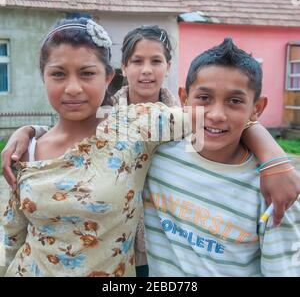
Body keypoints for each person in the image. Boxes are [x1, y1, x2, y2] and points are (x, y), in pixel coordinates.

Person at [0, 18, 187, 277]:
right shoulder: (27, 151)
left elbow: (222, 118)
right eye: (58, 74)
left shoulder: (134, 128)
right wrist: (30, 131)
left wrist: (266, 159)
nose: (73, 88)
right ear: (43, 76)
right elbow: (11, 237)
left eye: (87, 73)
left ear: (109, 76)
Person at [143, 38, 300, 276]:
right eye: (204, 98)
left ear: (257, 108)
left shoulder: (275, 193)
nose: (216, 114)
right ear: (184, 99)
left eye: (234, 101)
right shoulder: (155, 155)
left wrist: (275, 161)